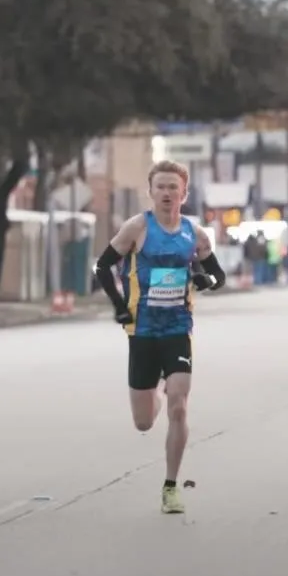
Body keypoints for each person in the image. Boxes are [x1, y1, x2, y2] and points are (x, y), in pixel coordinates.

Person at [92, 160, 225, 515]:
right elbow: (102, 266)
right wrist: (120, 307)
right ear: (150, 192)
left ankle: (170, 487)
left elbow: (218, 276)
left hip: (178, 329)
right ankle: (156, 395)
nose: (167, 193)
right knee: (144, 422)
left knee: (180, 404)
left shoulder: (195, 234)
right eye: (161, 187)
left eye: (173, 187)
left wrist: (203, 280)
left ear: (185, 193)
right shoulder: (137, 228)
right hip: (143, 331)